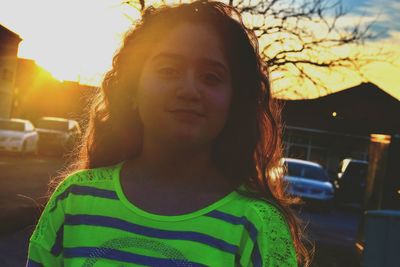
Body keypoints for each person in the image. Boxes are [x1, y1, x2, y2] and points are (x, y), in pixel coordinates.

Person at [26, 1, 310, 266]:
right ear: (133, 90)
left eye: (211, 77)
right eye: (168, 70)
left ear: (234, 102)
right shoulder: (75, 200)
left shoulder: (257, 226)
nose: (188, 90)